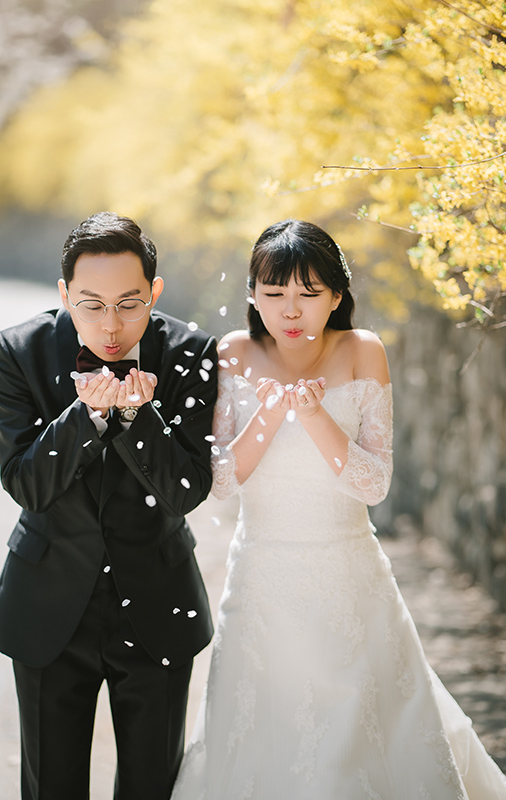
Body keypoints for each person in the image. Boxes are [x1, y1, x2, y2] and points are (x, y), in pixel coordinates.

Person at [171, 219, 506, 798]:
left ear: (336, 296)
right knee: (260, 723)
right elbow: (221, 481)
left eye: (308, 293)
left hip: (350, 577)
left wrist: (316, 417)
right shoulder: (234, 352)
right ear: (253, 294)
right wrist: (270, 415)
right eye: (273, 294)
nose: (290, 311)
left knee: (364, 723)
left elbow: (374, 484)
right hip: (261, 578)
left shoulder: (362, 349)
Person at [0, 211, 218, 800]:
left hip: (159, 606)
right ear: (64, 294)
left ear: (155, 292)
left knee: (152, 789)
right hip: (47, 609)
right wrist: (87, 417)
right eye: (91, 304)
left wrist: (140, 419)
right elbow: (26, 484)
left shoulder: (192, 351)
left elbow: (186, 490)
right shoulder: (18, 351)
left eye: (129, 303)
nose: (111, 326)